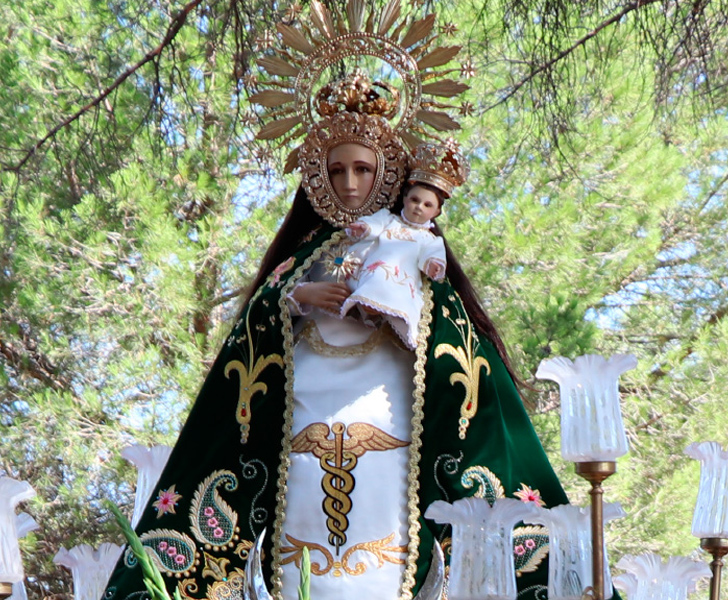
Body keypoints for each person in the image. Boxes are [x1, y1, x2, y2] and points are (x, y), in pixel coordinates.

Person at [103, 5, 569, 600]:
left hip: (393, 431)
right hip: (302, 437)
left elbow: (460, 355)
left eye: (363, 169)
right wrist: (294, 298)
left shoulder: (413, 249)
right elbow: (250, 343)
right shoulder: (300, 259)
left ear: (388, 172)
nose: (351, 184)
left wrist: (410, 319)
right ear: (318, 176)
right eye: (337, 170)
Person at [337, 143, 467, 350]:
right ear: (404, 198)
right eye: (415, 200)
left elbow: (432, 256)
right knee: (374, 281)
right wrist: (362, 228)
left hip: (402, 281)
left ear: (436, 213)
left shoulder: (430, 239)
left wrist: (433, 265)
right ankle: (363, 308)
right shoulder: (388, 219)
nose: (418, 207)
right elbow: (373, 225)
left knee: (403, 304)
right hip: (376, 269)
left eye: (427, 205)